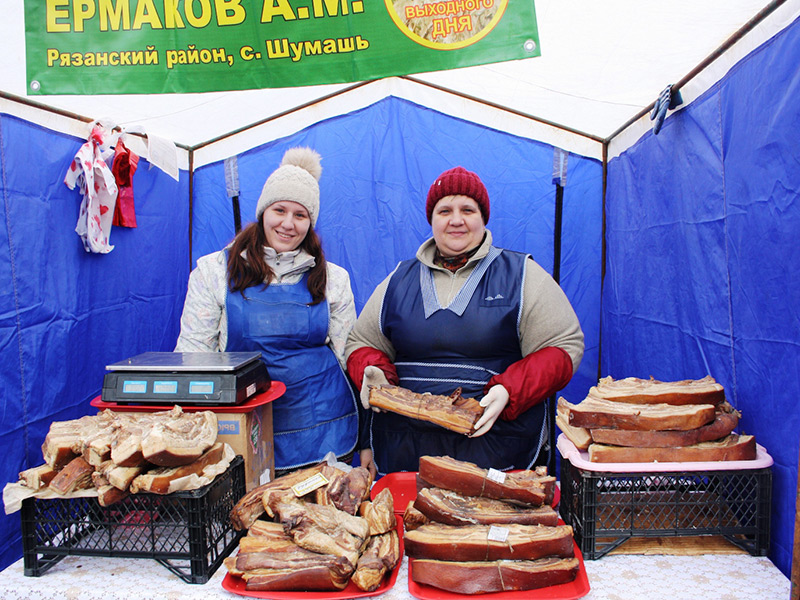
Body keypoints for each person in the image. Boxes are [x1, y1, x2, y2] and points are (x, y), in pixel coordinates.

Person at [345, 166, 584, 477]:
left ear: (483, 217)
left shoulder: (522, 276)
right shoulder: (397, 281)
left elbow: (564, 347)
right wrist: (371, 371)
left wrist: (510, 390)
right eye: (444, 210)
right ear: (431, 219)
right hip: (404, 453)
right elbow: (360, 343)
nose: (456, 220)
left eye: (467, 209)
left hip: (498, 454)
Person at [175, 147, 358, 474]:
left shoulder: (334, 278)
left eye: (300, 215)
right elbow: (193, 355)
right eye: (280, 210)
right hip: (242, 431)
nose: (288, 224)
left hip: (322, 432)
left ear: (311, 222)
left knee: (320, 521)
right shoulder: (214, 272)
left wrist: (369, 435)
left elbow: (349, 357)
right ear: (263, 211)